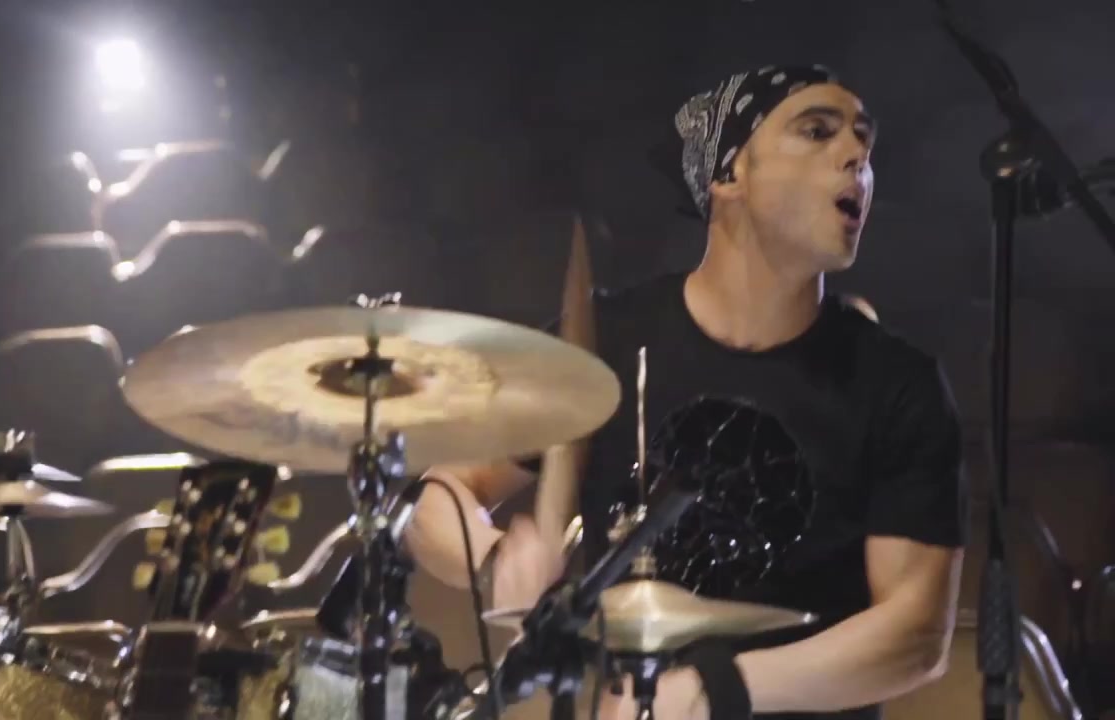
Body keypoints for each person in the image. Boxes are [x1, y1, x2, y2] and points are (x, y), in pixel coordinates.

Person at [405, 64, 966, 720]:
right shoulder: (604, 342)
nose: (856, 157)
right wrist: (494, 559)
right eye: (817, 132)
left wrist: (716, 691)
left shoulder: (898, 384)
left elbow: (916, 634)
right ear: (729, 174)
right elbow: (437, 496)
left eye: (864, 142)